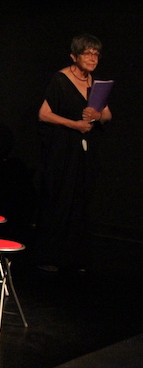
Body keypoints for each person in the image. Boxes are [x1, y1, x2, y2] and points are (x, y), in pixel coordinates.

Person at [36, 34, 112, 272]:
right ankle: (50, 255)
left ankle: (74, 257)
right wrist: (74, 124)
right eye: (87, 53)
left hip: (86, 151)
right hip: (63, 148)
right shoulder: (61, 79)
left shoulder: (95, 84)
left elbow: (107, 114)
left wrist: (97, 116)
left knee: (81, 199)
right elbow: (44, 114)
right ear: (74, 56)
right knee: (61, 198)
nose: (92, 58)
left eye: (96, 54)